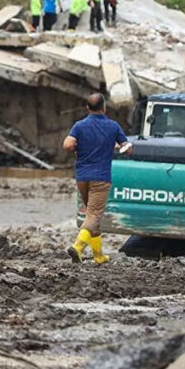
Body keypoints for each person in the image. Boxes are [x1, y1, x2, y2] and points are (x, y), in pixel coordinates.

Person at [62, 93, 131, 265]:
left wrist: (80, 148)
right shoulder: (113, 126)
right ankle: (78, 247)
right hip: (101, 178)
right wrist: (120, 147)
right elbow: (127, 148)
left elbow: (68, 145)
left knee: (92, 216)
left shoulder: (79, 126)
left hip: (82, 177)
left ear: (87, 108)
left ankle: (98, 256)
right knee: (93, 215)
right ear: (104, 107)